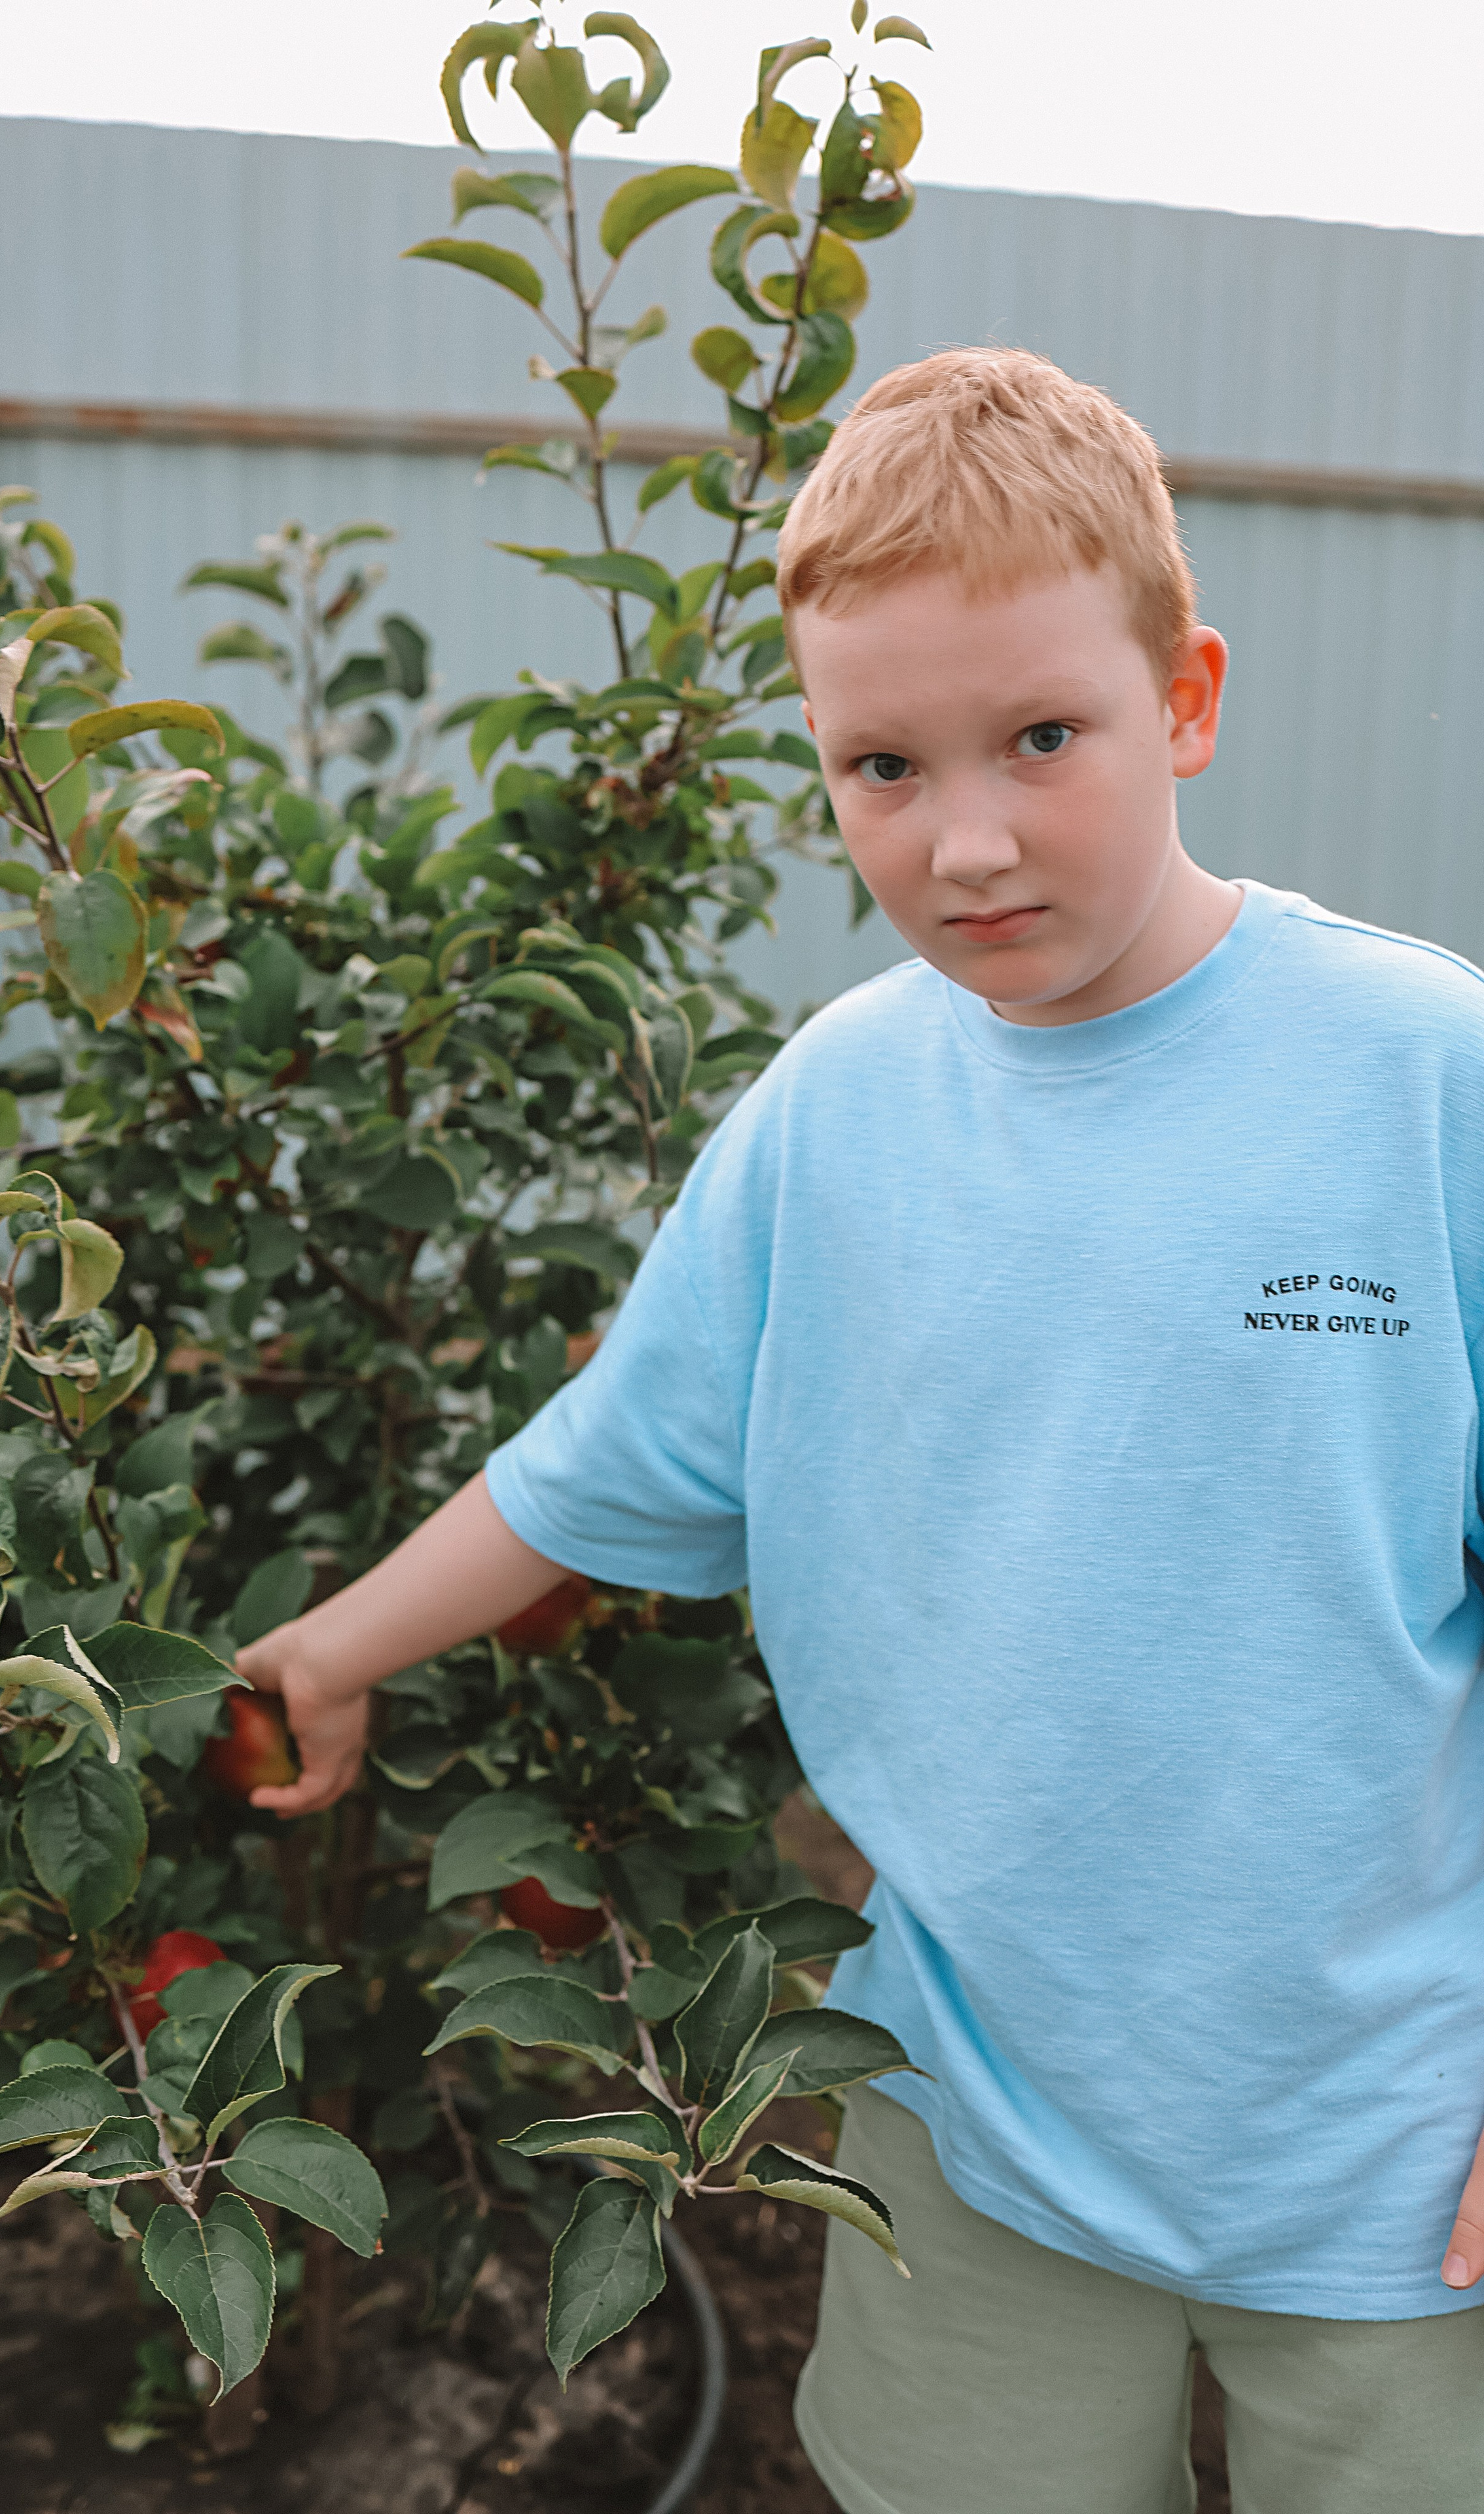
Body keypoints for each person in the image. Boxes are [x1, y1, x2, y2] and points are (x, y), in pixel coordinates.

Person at [237, 346, 1484, 2510]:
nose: (966, 837)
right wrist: (326, 1655)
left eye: (1042, 740)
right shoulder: (832, 1111)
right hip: (971, 2121)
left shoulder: (1419, 1076)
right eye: (881, 766)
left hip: (1396, 2145)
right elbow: (604, 1461)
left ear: (1185, 700)